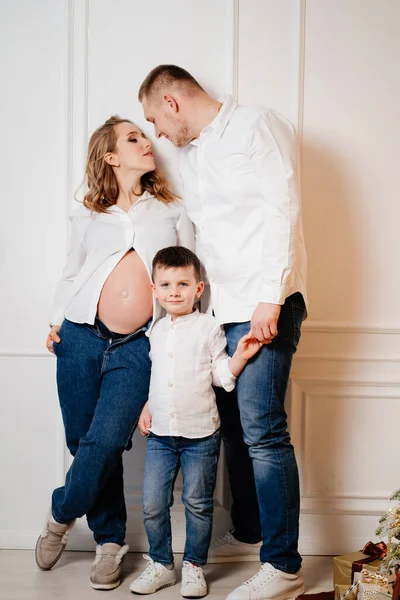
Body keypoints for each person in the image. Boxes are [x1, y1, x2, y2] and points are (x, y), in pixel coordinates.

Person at [138, 65, 308, 600]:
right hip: (220, 313)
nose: (158, 134)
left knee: (263, 432)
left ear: (171, 101)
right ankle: (251, 532)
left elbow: (284, 208)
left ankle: (283, 567)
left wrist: (270, 297)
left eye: (153, 120)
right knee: (232, 429)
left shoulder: (259, 125)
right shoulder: (193, 157)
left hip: (265, 302)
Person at [35, 116, 193, 591]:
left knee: (104, 443)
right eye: (133, 138)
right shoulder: (89, 212)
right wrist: (56, 320)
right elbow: (71, 270)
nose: (147, 142)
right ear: (110, 156)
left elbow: (189, 280)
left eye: (144, 136)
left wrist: (182, 345)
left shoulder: (170, 210)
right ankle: (110, 541)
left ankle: (60, 513)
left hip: (138, 346)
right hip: (80, 338)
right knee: (82, 443)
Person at [130, 246, 262, 598]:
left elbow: (220, 375)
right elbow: (158, 377)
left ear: (198, 289)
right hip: (160, 435)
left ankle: (193, 565)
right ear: (154, 290)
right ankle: (160, 563)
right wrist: (146, 405)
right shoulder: (154, 331)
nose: (175, 291)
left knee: (197, 502)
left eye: (183, 284)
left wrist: (239, 358)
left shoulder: (209, 328)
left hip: (200, 434)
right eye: (167, 284)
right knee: (154, 503)